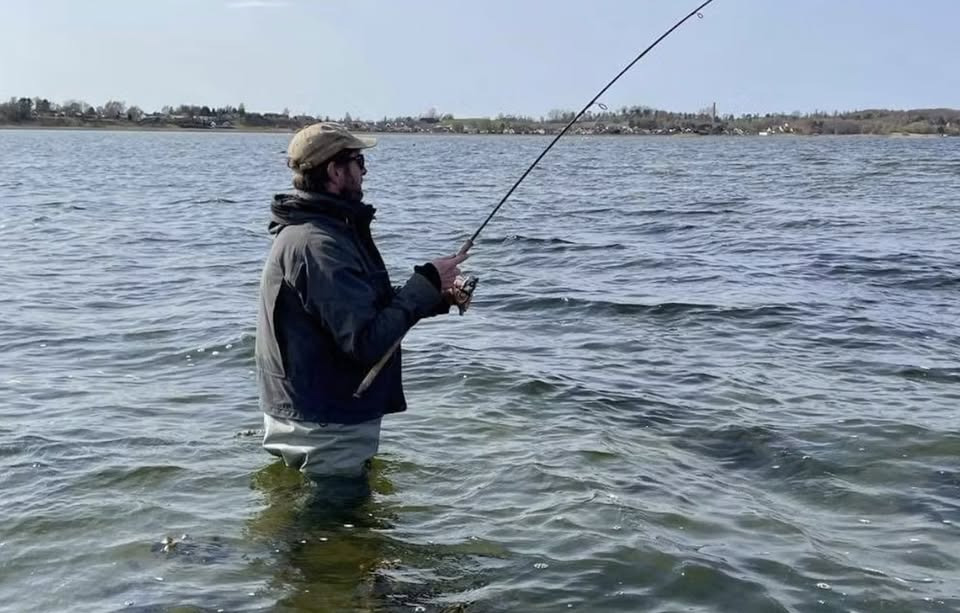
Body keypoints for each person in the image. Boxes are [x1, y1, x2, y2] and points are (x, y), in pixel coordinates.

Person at [256, 122, 468, 478]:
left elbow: (361, 312)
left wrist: (436, 296)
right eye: (358, 160)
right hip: (325, 424)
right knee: (331, 524)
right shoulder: (318, 244)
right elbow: (365, 341)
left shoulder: (323, 233)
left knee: (310, 524)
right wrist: (426, 281)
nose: (365, 169)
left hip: (312, 414)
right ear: (335, 171)